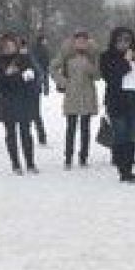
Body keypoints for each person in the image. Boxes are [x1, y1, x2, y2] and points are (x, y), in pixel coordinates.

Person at [100, 26, 135, 183]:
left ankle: (129, 168)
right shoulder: (106, 56)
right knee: (120, 135)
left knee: (132, 136)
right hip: (116, 102)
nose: (123, 43)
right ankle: (123, 171)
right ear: (114, 41)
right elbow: (111, 78)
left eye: (127, 40)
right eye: (119, 40)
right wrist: (126, 61)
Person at [0, 34, 40, 175]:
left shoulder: (24, 59)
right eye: (6, 45)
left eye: (11, 45)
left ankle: (30, 163)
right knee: (11, 134)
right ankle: (15, 164)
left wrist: (21, 77)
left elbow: (32, 77)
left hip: (23, 100)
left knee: (26, 133)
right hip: (6, 102)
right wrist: (8, 75)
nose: (8, 48)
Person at [52, 31, 101, 169]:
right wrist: (62, 81)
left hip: (88, 94)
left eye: (84, 41)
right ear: (74, 42)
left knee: (85, 128)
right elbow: (53, 67)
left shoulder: (92, 56)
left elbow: (97, 76)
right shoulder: (66, 54)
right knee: (71, 128)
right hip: (72, 95)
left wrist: (91, 63)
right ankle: (68, 158)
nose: (81, 43)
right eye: (78, 40)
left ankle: (83, 157)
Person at [19, 38, 48, 145]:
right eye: (21, 48)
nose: (23, 50)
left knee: (35, 114)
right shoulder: (17, 60)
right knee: (25, 115)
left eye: (24, 48)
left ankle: (41, 136)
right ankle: (27, 136)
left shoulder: (31, 58)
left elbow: (40, 73)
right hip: (21, 92)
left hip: (33, 91)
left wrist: (39, 85)